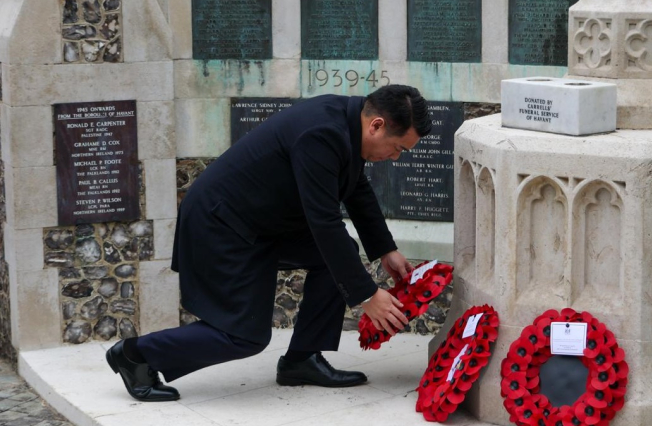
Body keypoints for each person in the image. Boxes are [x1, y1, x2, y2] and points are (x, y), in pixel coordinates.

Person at [105, 85, 433, 401]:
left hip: (262, 223)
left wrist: (385, 249)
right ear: (377, 125)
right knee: (243, 335)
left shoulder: (348, 123)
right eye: (399, 148)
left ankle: (300, 361)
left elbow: (355, 185)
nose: (395, 157)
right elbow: (323, 221)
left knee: (340, 252)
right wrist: (366, 294)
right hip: (222, 226)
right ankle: (135, 355)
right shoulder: (322, 132)